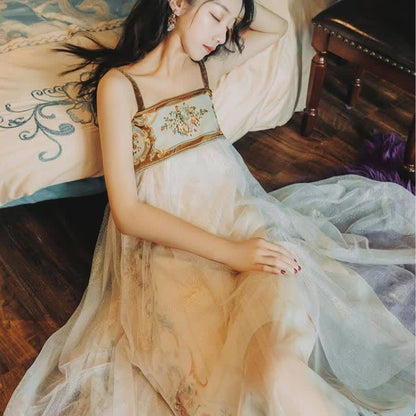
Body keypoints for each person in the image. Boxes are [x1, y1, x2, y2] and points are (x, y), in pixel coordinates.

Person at [4, 0, 415, 415]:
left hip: (244, 222)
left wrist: (231, 7)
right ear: (178, 2)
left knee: (277, 368)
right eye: (216, 16)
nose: (222, 35)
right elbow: (127, 212)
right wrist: (233, 253)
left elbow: (273, 27)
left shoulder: (208, 67)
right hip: (175, 249)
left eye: (231, 22)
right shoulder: (121, 86)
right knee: (239, 378)